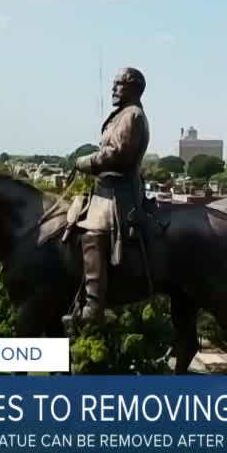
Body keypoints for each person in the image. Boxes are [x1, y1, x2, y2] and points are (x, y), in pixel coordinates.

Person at [70, 67, 151, 326]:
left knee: (93, 234)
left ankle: (94, 305)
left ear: (134, 88)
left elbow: (118, 154)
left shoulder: (132, 116)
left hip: (120, 193)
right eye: (114, 84)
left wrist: (86, 162)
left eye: (118, 84)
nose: (113, 89)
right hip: (106, 188)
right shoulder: (122, 115)